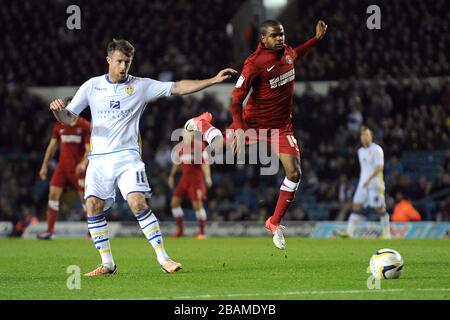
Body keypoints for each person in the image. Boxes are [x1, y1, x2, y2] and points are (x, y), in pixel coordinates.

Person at [49, 39, 237, 276]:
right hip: (98, 159)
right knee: (92, 206)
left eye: (127, 62)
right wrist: (58, 111)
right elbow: (68, 118)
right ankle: (108, 264)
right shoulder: (92, 86)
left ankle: (164, 258)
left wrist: (212, 80)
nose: (123, 66)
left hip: (127, 157)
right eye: (119, 61)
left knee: (137, 203)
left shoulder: (141, 86)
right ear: (108, 60)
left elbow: (177, 87)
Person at [184, 19, 327, 249]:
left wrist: (315, 40)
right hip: (252, 124)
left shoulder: (287, 52)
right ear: (264, 38)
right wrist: (240, 130)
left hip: (281, 127)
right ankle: (202, 122)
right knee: (219, 149)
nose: (280, 38)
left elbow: (297, 53)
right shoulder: (254, 63)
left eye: (281, 34)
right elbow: (235, 100)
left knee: (295, 172)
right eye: (275, 36)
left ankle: (273, 223)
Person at [37, 100, 90, 240]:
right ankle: (49, 231)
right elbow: (52, 147)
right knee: (52, 196)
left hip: (78, 169)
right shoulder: (59, 125)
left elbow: (89, 149)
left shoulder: (85, 126)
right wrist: (44, 166)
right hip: (62, 168)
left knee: (87, 201)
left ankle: (92, 232)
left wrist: (84, 163)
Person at [346, 126, 391, 238]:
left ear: (371, 137)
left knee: (379, 208)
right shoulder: (360, 151)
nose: (365, 137)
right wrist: (363, 181)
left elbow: (380, 167)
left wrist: (369, 179)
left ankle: (386, 234)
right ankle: (349, 232)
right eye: (363, 135)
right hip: (362, 185)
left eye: (367, 135)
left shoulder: (377, 150)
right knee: (356, 205)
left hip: (375, 184)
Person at [168, 130, 212, 239]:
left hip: (196, 181)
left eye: (190, 133)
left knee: (197, 206)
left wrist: (207, 177)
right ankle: (180, 231)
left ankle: (202, 233)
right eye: (186, 133)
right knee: (174, 203)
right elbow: (177, 163)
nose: (187, 135)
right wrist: (171, 176)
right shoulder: (181, 147)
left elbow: (204, 163)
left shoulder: (199, 146)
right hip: (184, 180)